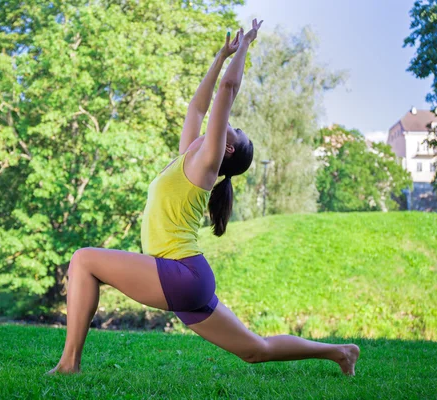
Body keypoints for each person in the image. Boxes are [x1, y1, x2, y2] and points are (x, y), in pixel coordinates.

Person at [48, 19, 359, 376]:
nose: (232, 123)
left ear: (227, 148)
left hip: (180, 273)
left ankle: (69, 365)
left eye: (236, 131)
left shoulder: (207, 164)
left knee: (84, 260)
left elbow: (228, 88)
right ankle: (341, 352)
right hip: (186, 278)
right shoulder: (189, 158)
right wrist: (220, 54)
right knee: (255, 349)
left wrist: (245, 46)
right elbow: (196, 109)